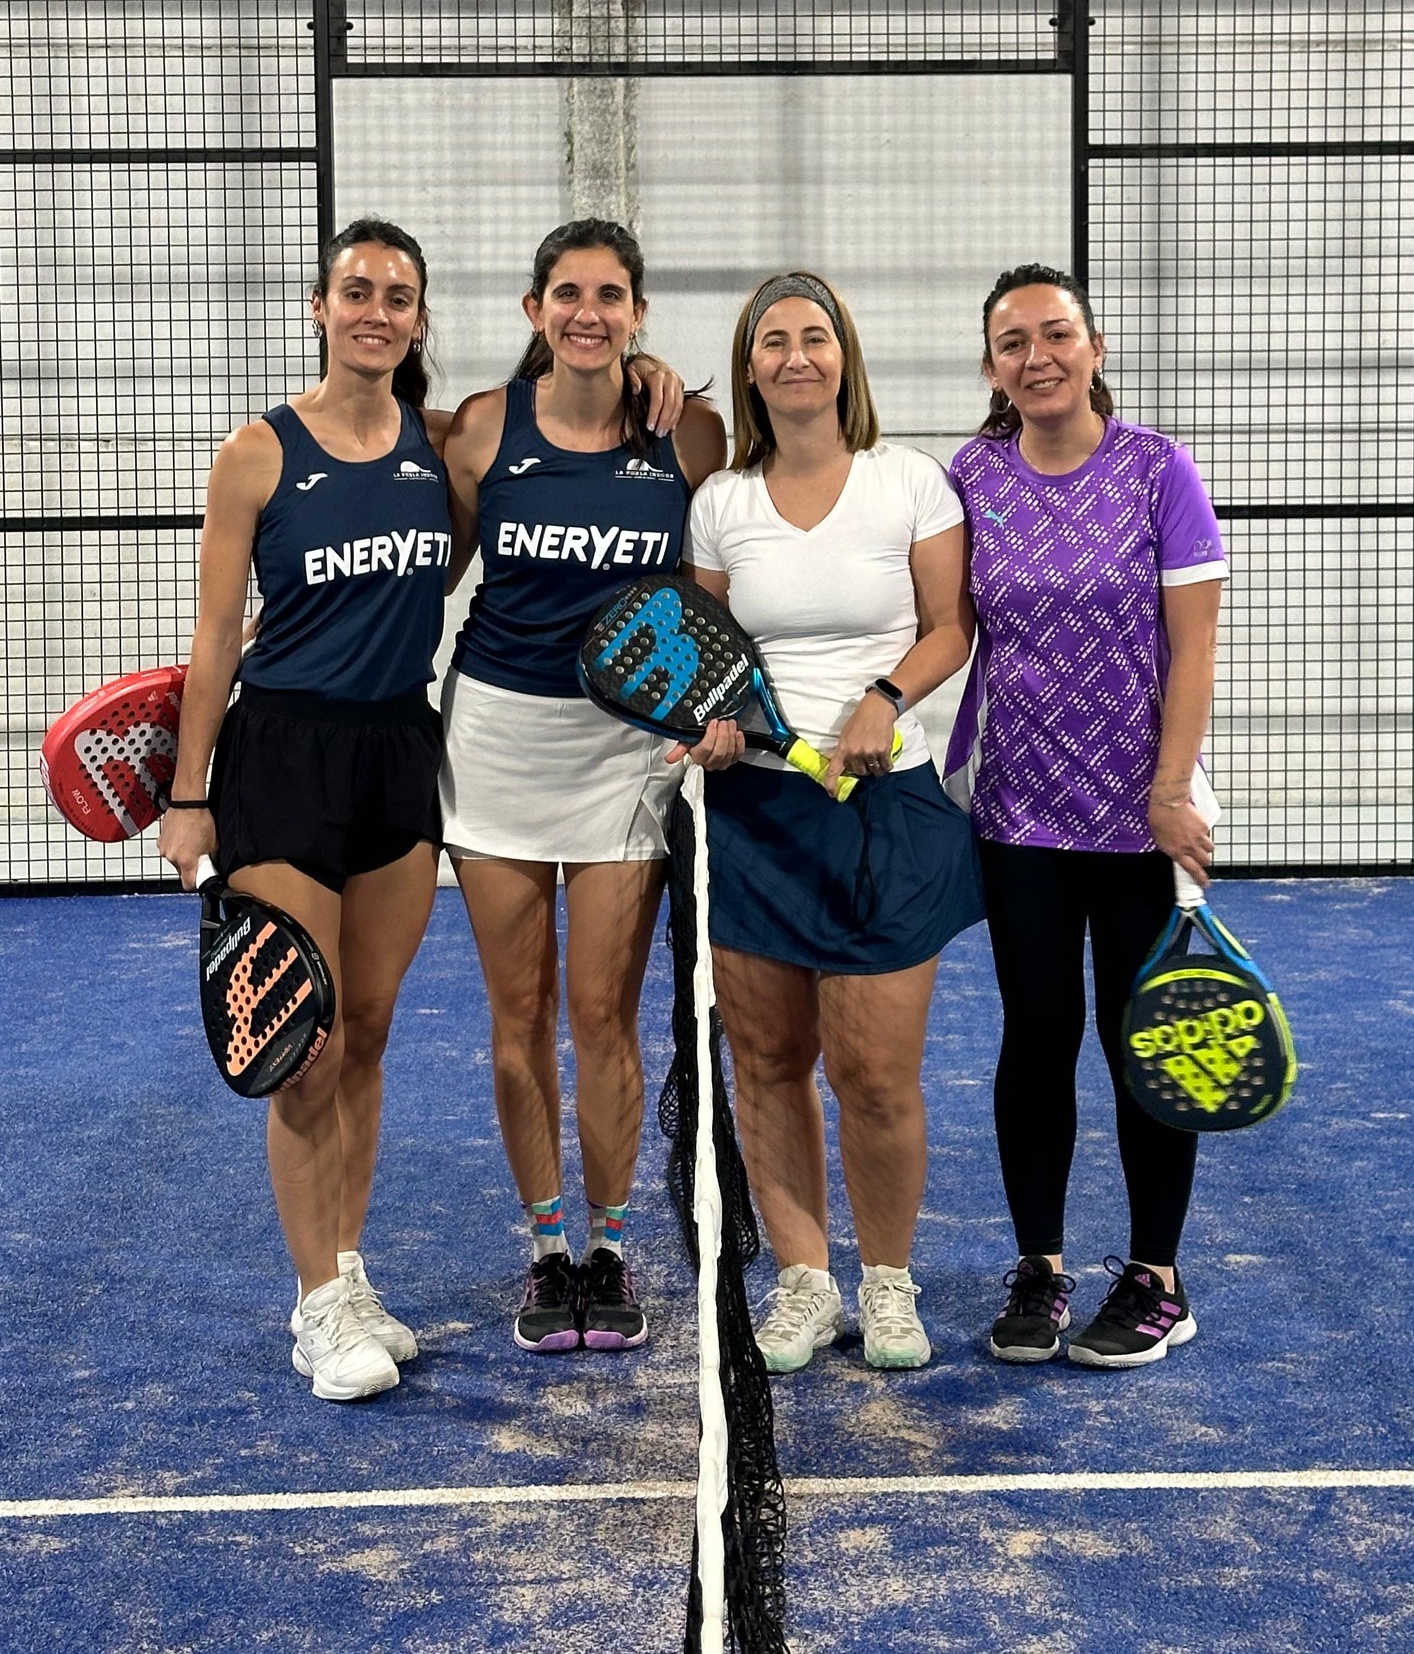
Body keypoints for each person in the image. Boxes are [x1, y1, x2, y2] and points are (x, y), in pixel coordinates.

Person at [159, 219, 454, 1401]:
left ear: (418, 321)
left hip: (400, 749)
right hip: (281, 755)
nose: (376, 310)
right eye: (357, 290)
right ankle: (317, 1306)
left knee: (367, 1029)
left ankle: (346, 1265)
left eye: (398, 295)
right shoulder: (257, 453)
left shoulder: (443, 449)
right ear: (320, 307)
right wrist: (188, 796)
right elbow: (215, 638)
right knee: (304, 1042)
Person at [681, 272, 979, 1374]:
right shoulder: (721, 502)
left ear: (844, 356)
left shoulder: (911, 481)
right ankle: (804, 1279)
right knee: (768, 1060)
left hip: (884, 807)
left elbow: (951, 627)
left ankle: (888, 1284)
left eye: (815, 337)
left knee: (876, 1073)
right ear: (750, 367)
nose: (795, 355)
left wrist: (884, 698)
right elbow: (712, 659)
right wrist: (718, 729)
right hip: (755, 813)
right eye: (773, 341)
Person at [440, 220, 724, 1356]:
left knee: (603, 1016)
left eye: (610, 295)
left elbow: (716, 577)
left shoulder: (687, 431)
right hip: (496, 741)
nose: (588, 313)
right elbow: (434, 568)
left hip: (625, 750)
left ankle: (609, 1247)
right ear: (534, 310)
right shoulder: (481, 429)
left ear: (638, 312)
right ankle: (547, 1245)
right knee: (518, 1015)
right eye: (568, 293)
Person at [945, 262, 1227, 1370]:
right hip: (1016, 814)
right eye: (1013, 342)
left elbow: (1194, 649)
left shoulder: (1160, 470)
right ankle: (1040, 1266)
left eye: (1056, 334)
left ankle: (1158, 1277)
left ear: (1094, 348)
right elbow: (947, 628)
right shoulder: (970, 476)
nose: (1038, 357)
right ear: (991, 368)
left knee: (1139, 1038)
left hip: (1138, 819)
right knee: (1036, 1036)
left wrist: (1170, 791)